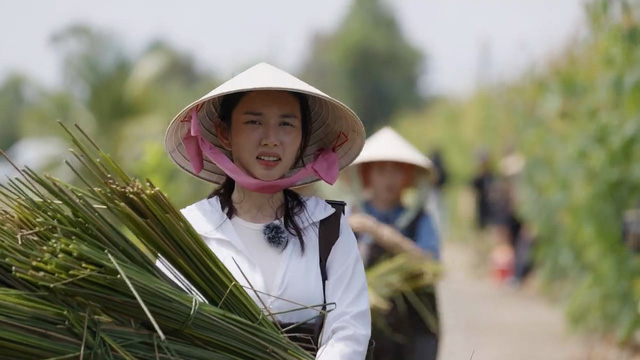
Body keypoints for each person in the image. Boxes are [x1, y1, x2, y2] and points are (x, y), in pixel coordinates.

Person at [163, 63, 371, 359]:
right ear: (224, 133)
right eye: (254, 122)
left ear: (302, 137)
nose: (271, 138)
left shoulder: (328, 228)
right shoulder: (190, 230)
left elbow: (349, 330)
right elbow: (166, 327)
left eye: (286, 124)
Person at [347, 127, 440, 360]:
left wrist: (378, 232)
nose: (389, 179)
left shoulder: (420, 220)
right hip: (363, 328)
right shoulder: (350, 217)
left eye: (397, 171)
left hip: (415, 328)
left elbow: (431, 263)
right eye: (381, 170)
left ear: (408, 177)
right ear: (367, 175)